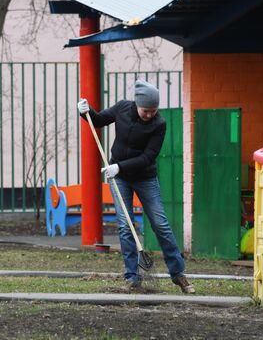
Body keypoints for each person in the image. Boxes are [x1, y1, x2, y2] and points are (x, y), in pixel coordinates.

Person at [77, 79, 195, 294]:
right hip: (120, 178)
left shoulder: (159, 124)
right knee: (125, 225)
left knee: (160, 224)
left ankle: (178, 274)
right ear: (137, 103)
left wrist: (119, 167)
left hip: (144, 177)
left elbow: (148, 157)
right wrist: (85, 112)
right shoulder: (122, 108)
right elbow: (99, 120)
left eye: (153, 110)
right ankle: (132, 277)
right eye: (146, 110)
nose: (150, 114)